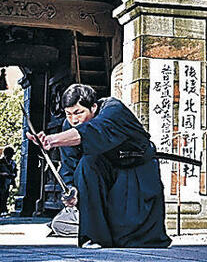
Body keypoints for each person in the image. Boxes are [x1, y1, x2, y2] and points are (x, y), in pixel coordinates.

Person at [27, 83, 171, 249]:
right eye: (68, 114)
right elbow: (69, 164)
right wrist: (71, 190)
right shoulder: (69, 126)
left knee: (133, 236)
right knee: (86, 165)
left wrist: (51, 140)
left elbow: (94, 131)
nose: (74, 120)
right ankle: (93, 237)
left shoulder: (113, 109)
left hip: (136, 172)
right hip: (105, 172)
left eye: (79, 112)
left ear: (93, 107)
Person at [0, 146, 17, 217]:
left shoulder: (13, 163)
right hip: (0, 181)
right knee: (2, 195)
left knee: (5, 195)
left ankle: (2, 211)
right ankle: (2, 210)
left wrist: (12, 176)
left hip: (8, 181)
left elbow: (15, 173)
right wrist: (1, 174)